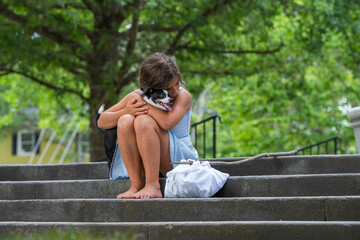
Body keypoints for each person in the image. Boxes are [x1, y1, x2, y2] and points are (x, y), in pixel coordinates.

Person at [97, 52, 199, 199]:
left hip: (179, 159)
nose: (175, 90)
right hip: (148, 159)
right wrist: (126, 110)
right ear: (151, 88)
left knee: (142, 121)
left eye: (177, 83)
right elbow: (102, 121)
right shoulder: (137, 95)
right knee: (125, 119)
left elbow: (167, 123)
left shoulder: (183, 96)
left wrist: (142, 103)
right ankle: (136, 184)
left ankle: (153, 185)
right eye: (168, 89)